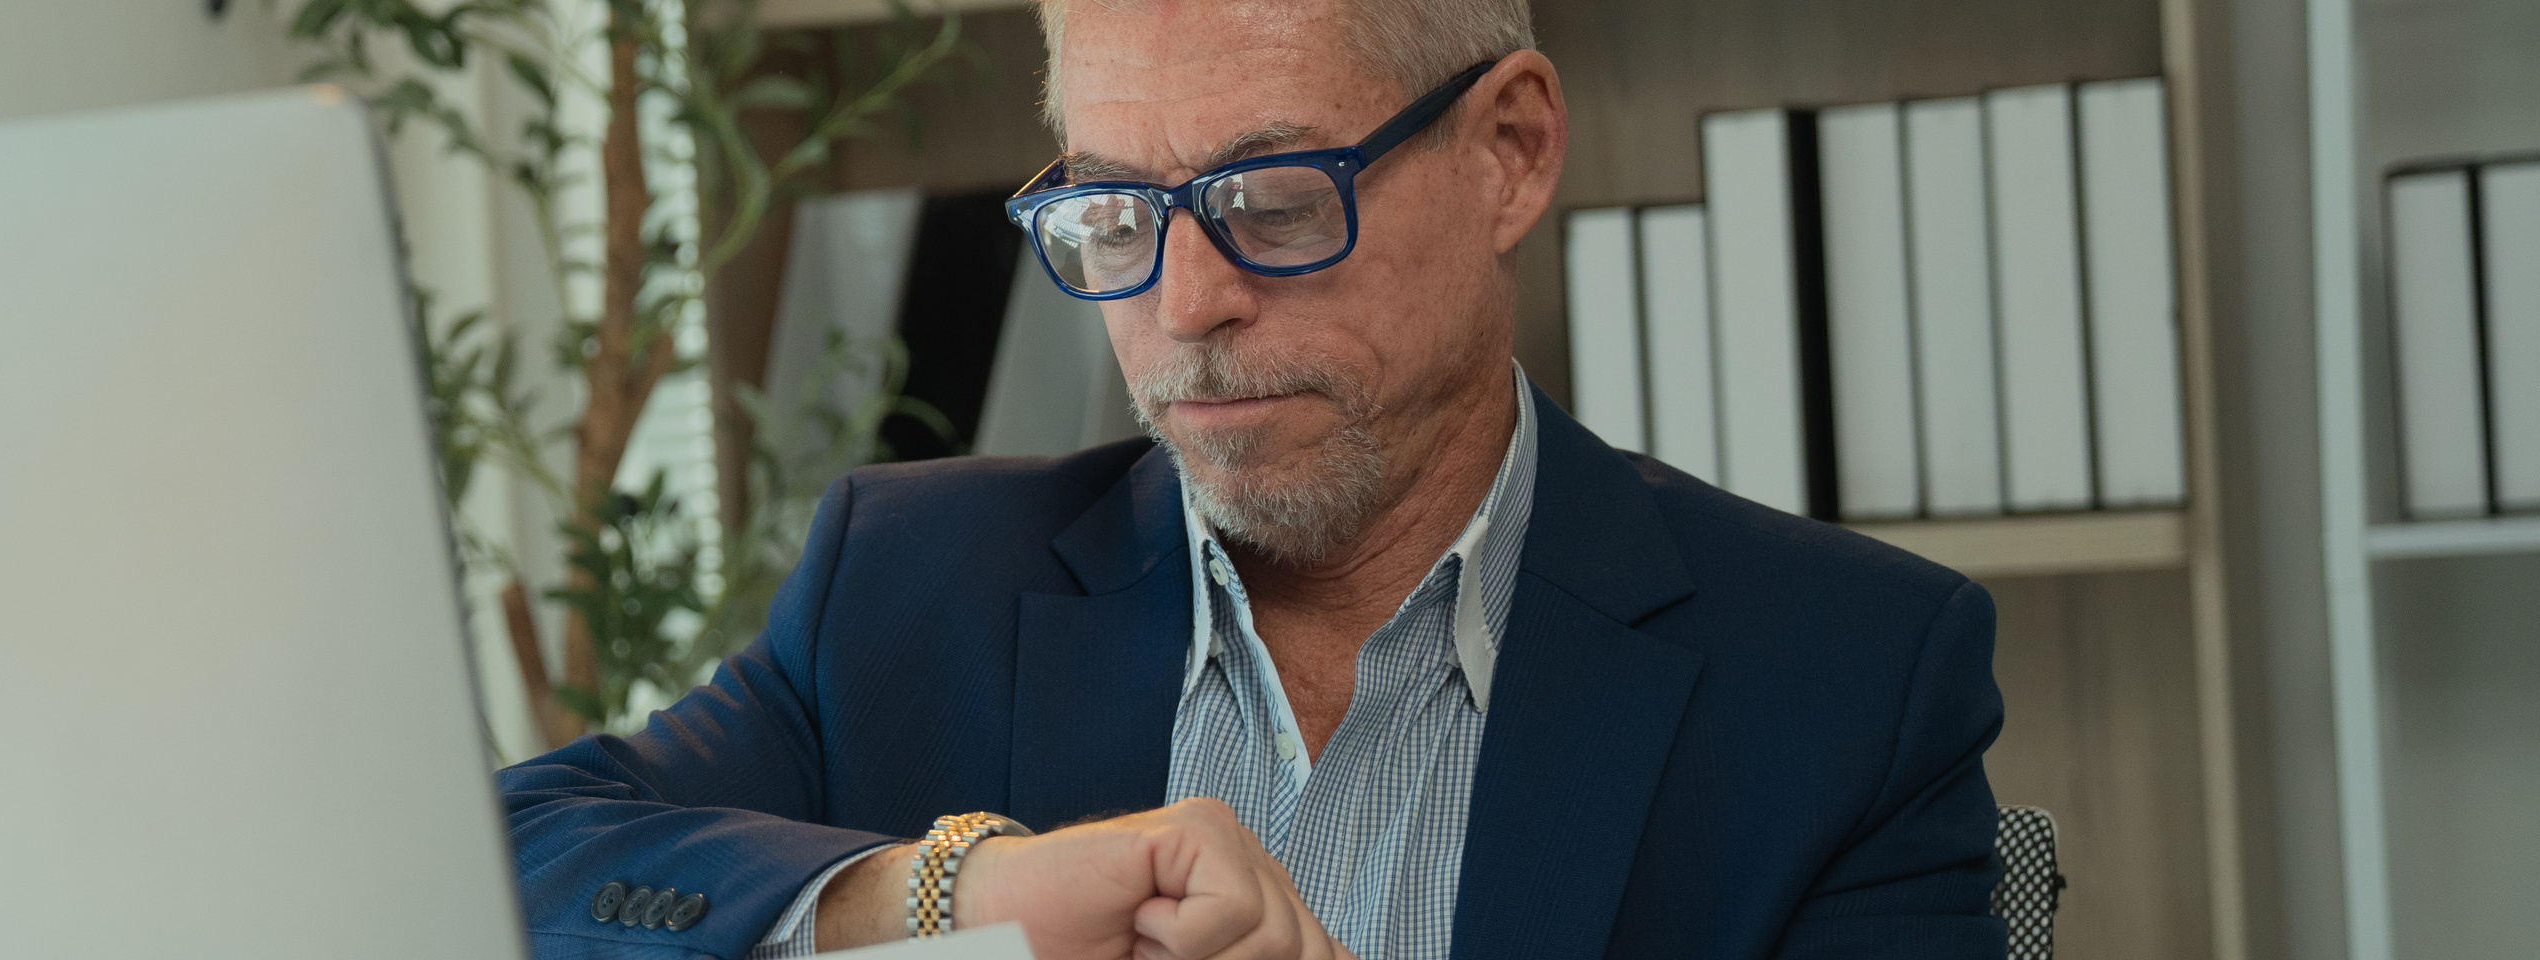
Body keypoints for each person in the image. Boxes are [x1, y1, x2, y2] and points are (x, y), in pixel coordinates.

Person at [494, 0, 2010, 958]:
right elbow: (514, 861)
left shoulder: (1850, 682)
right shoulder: (912, 581)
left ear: (1511, 151)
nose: (1183, 304)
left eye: (1275, 199)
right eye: (1110, 213)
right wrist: (953, 901)